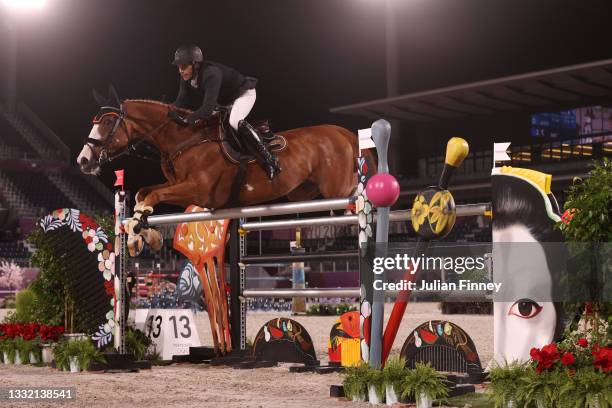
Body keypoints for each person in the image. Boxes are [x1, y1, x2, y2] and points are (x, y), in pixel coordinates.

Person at [170, 45, 281, 180]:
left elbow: (207, 108)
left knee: (234, 121)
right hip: (226, 101)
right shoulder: (186, 78)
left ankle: (270, 161)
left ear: (195, 64)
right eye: (179, 67)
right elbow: (179, 102)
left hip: (244, 94)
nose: (180, 71)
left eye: (183, 66)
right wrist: (167, 113)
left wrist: (188, 119)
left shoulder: (211, 73)